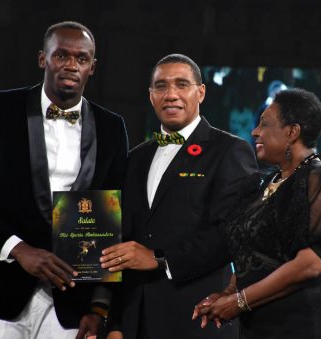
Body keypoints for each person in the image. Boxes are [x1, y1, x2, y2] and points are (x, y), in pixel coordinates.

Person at [0, 21, 128, 339]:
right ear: (43, 59)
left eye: (81, 59)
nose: (71, 65)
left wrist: (99, 306)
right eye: (61, 55)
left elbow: (113, 223)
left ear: (93, 67)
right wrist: (19, 249)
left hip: (73, 300)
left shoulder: (112, 128)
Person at [99, 54, 258, 339]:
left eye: (181, 84)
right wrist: (116, 323)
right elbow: (121, 240)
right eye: (161, 86)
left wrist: (159, 258)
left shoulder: (229, 151)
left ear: (201, 92)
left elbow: (231, 234)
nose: (170, 94)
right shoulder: (135, 158)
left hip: (197, 319)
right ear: (150, 96)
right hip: (136, 321)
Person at [193, 88, 321, 338]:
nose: (255, 131)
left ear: (292, 132)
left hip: (307, 315)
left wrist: (239, 301)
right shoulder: (266, 181)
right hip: (263, 316)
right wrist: (227, 293)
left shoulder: (317, 178)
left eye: (265, 124)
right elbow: (255, 251)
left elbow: (310, 264)